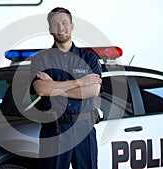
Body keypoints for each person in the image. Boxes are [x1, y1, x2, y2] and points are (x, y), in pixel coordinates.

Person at [30, 7, 102, 169]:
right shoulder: (41, 59)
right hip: (54, 130)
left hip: (84, 128)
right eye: (55, 24)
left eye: (64, 23)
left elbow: (93, 91)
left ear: (72, 26)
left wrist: (53, 87)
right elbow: (41, 89)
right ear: (50, 29)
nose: (60, 28)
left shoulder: (88, 58)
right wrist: (80, 82)